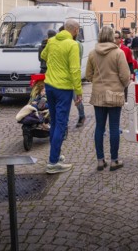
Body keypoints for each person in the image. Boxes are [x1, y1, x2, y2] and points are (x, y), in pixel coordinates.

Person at [40, 19, 83, 174]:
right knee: (61, 124)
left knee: (54, 121)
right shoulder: (72, 44)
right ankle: (52, 162)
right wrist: (78, 91)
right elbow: (75, 70)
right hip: (63, 88)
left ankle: (55, 155)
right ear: (76, 30)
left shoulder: (51, 41)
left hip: (50, 85)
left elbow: (44, 56)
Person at [86, 26, 131, 172]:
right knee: (114, 127)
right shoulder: (118, 53)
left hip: (98, 94)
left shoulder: (93, 53)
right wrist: (122, 85)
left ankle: (100, 160)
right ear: (112, 36)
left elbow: (88, 75)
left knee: (99, 127)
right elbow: (125, 77)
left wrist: (98, 81)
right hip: (115, 94)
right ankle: (114, 160)